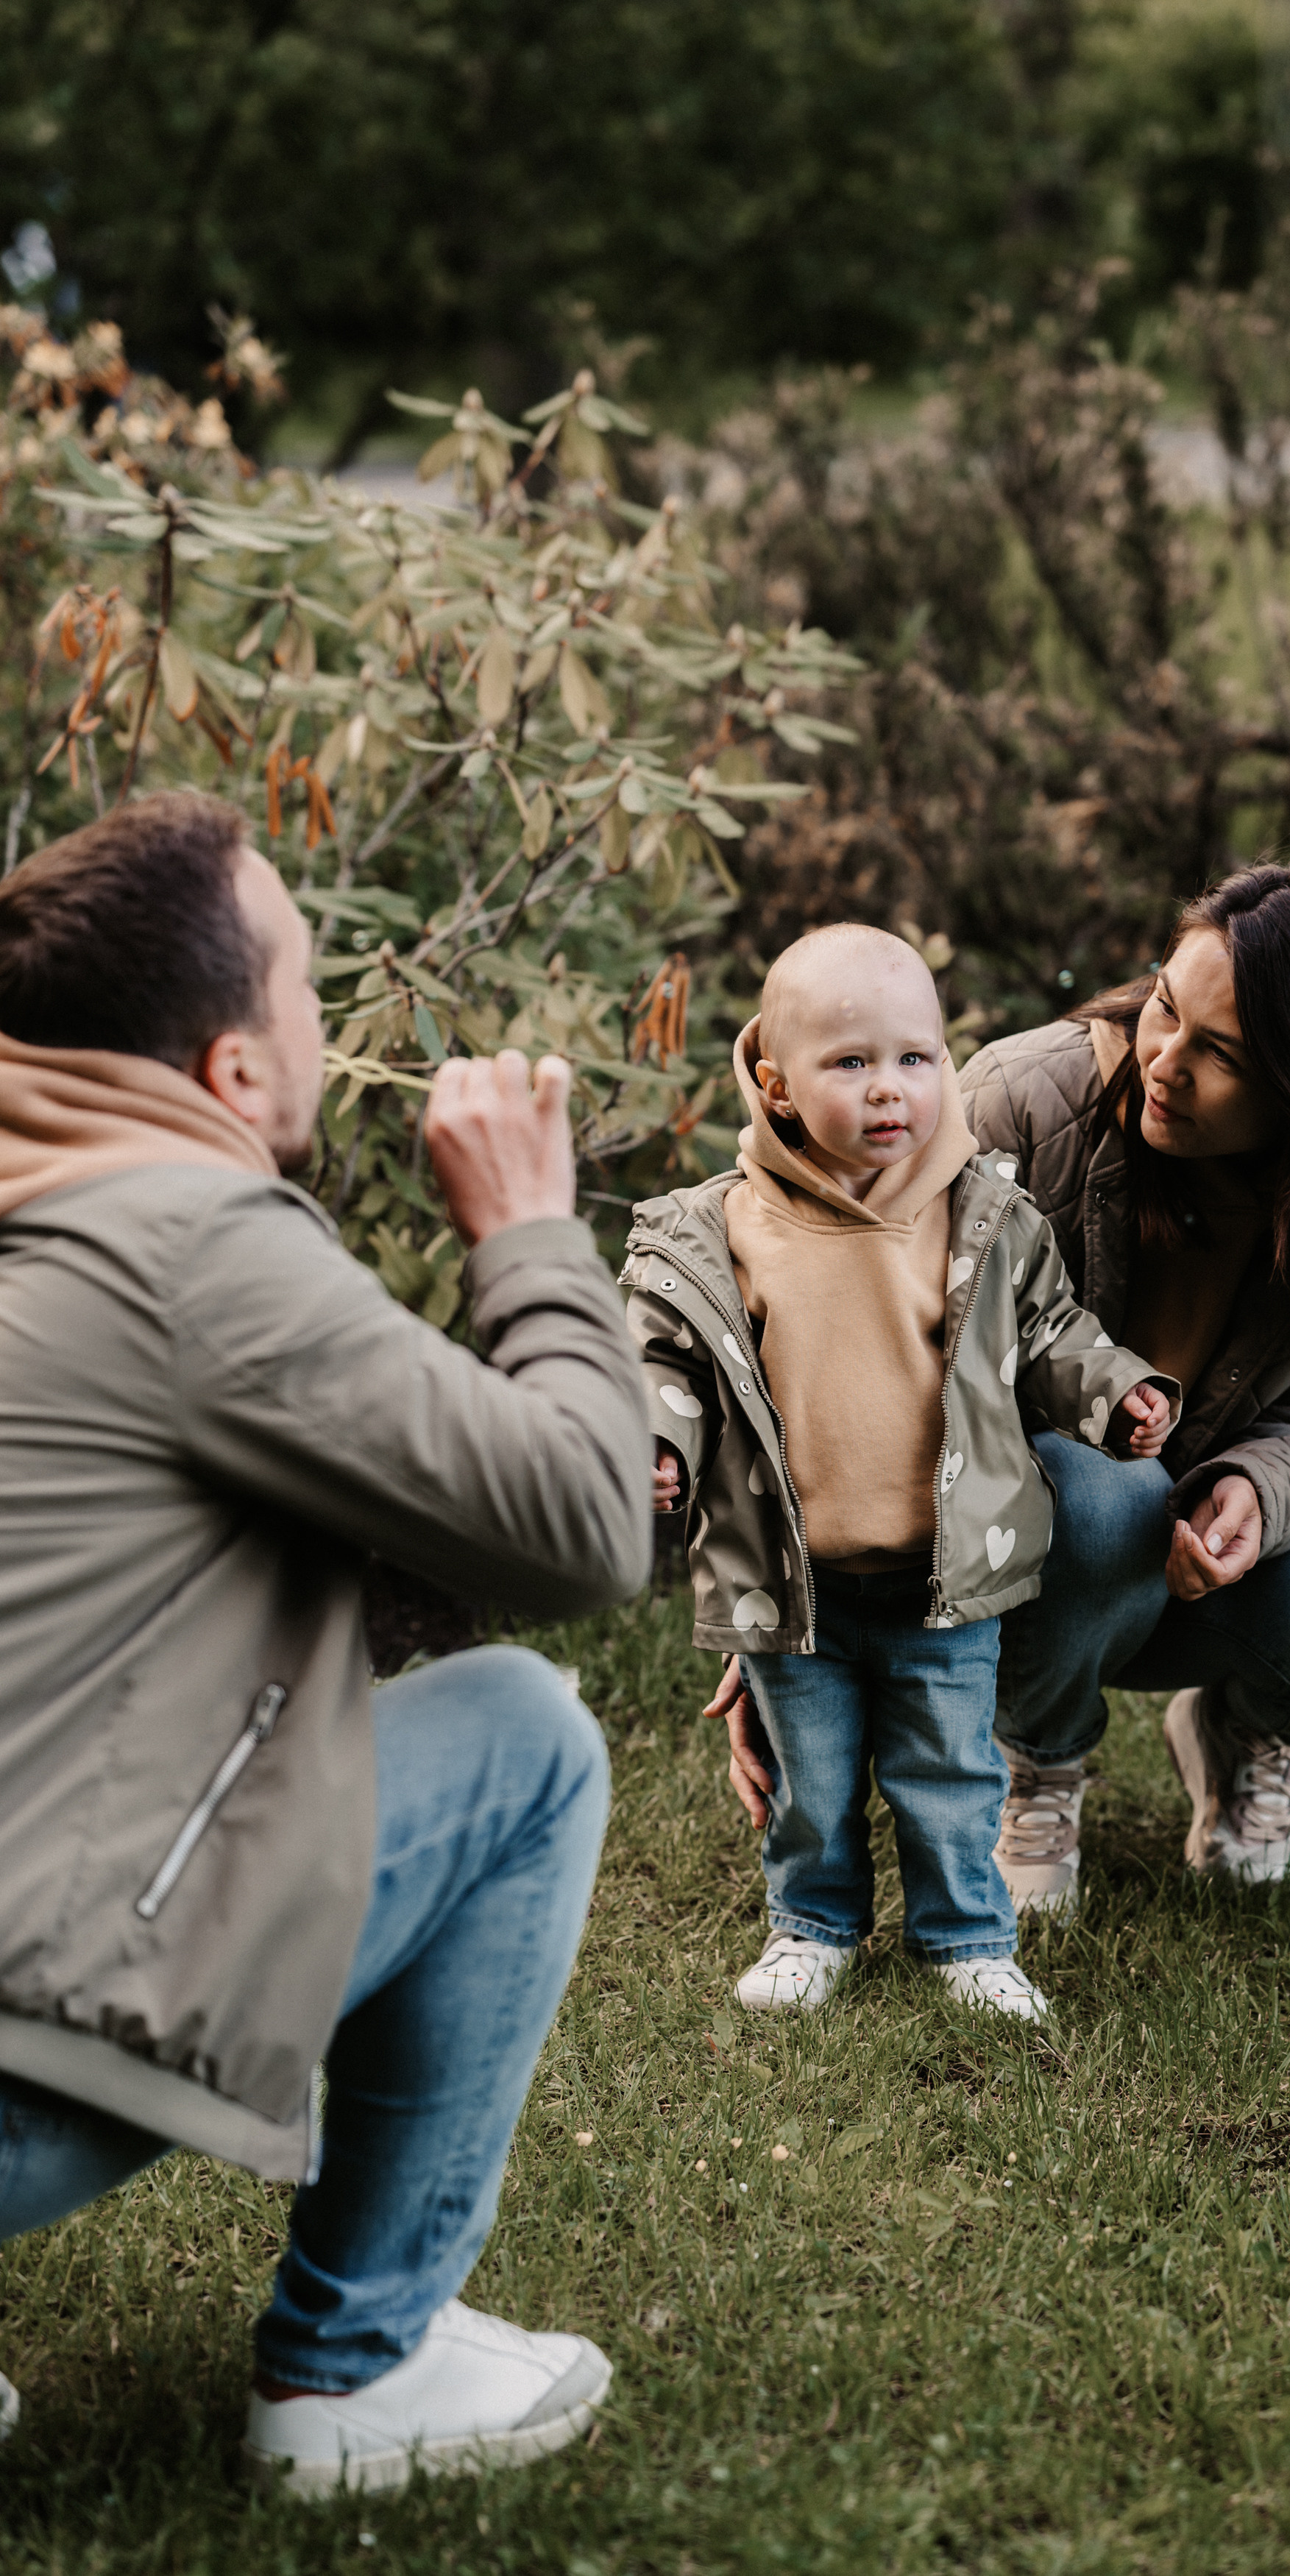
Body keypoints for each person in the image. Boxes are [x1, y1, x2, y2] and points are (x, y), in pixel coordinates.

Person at [0, 792, 653, 2494]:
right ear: (231, 1068)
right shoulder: (190, 1243)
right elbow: (589, 1523)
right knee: (522, 1736)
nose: (324, 1006)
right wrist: (528, 1230)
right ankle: (358, 2367)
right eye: (302, 976)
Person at [712, 866, 1290, 1908]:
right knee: (1109, 1489)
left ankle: (1239, 1733)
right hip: (1025, 1556)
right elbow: (839, 1355)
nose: (1165, 1061)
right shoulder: (1021, 1102)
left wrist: (1259, 1491)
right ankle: (1035, 1760)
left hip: (1203, 1570)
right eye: (1165, 1006)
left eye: (1221, 1055)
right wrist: (789, 1608)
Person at [624, 924, 1176, 2025]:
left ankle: (966, 1937)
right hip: (795, 1582)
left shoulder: (985, 1216)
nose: (890, 1088)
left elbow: (1051, 1333)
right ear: (776, 1087)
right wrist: (654, 1443)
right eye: (850, 1062)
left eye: (914, 1058)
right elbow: (664, 1364)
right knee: (811, 1776)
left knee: (949, 1771)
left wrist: (1115, 1392)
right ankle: (811, 1924)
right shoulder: (719, 1231)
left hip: (942, 1578)